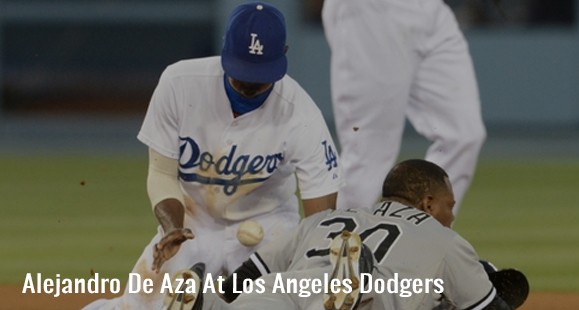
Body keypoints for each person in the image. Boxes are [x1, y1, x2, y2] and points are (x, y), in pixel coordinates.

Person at [83, 2, 342, 309]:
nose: (248, 83)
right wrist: (172, 229)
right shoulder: (179, 84)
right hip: (193, 223)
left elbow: (321, 217)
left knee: (283, 304)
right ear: (224, 49)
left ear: (284, 53)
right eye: (242, 70)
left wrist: (306, 266)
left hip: (269, 230)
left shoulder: (301, 113)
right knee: (140, 303)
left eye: (259, 74)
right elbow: (162, 173)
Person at [170, 159, 527, 310]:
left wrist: (224, 295)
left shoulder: (330, 218)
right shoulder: (446, 242)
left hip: (281, 285)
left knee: (255, 301)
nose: (452, 214)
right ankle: (352, 289)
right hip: (362, 293)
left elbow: (245, 280)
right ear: (429, 203)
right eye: (450, 204)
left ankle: (206, 303)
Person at [321, 0, 487, 217]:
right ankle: (334, 244)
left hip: (431, 10)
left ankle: (417, 236)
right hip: (371, 11)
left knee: (464, 135)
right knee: (368, 151)